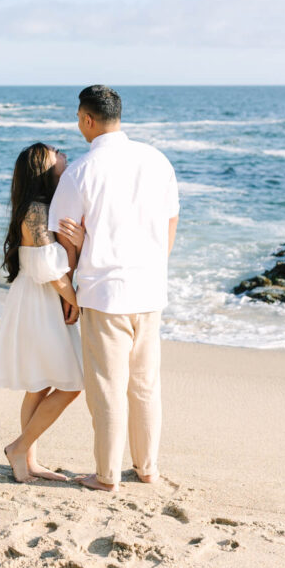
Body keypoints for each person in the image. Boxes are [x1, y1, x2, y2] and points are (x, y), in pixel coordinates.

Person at [48, 86, 179, 492]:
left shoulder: (81, 171)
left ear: (86, 119)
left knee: (107, 389)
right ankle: (148, 468)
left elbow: (63, 239)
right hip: (149, 290)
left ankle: (106, 476)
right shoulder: (157, 161)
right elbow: (170, 226)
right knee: (144, 386)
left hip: (105, 293)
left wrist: (67, 292)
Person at [0, 142, 86, 483]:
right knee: (71, 384)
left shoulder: (41, 206)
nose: (63, 151)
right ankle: (19, 448)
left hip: (39, 297)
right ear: (43, 166)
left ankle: (27, 459)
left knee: (40, 385)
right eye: (56, 151)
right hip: (42, 299)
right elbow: (47, 268)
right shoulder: (37, 209)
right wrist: (73, 300)